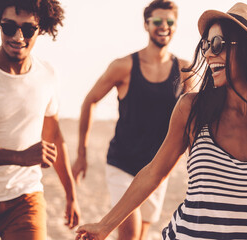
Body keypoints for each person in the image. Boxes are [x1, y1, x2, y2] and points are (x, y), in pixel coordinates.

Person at [75, 2, 247, 240]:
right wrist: (104, 226)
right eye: (206, 44)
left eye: (217, 45)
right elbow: (155, 172)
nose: (207, 54)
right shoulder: (193, 107)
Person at [71, 0, 195, 239]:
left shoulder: (184, 70)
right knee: (129, 231)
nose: (164, 26)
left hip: (158, 169)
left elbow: (193, 118)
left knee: (139, 236)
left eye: (170, 22)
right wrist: (82, 153)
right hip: (122, 163)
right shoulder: (124, 66)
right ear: (146, 24)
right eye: (157, 21)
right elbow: (90, 101)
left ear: (176, 26)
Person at [0, 0, 80, 239]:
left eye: (28, 29)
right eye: (9, 27)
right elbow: (26, 155)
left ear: (41, 28)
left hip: (25, 198)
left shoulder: (47, 74)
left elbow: (53, 134)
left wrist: (71, 193)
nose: (18, 36)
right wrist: (20, 157)